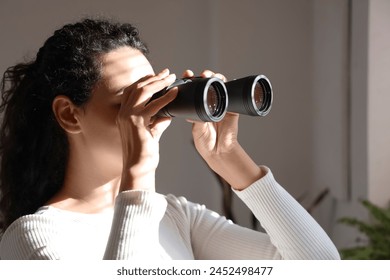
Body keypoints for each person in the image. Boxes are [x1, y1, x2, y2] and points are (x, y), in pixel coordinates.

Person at [0, 18, 340, 260]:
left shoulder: (175, 216)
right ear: (69, 114)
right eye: (130, 101)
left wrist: (228, 155)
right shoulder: (32, 238)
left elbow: (320, 266)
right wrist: (138, 174)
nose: (149, 112)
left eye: (159, 95)